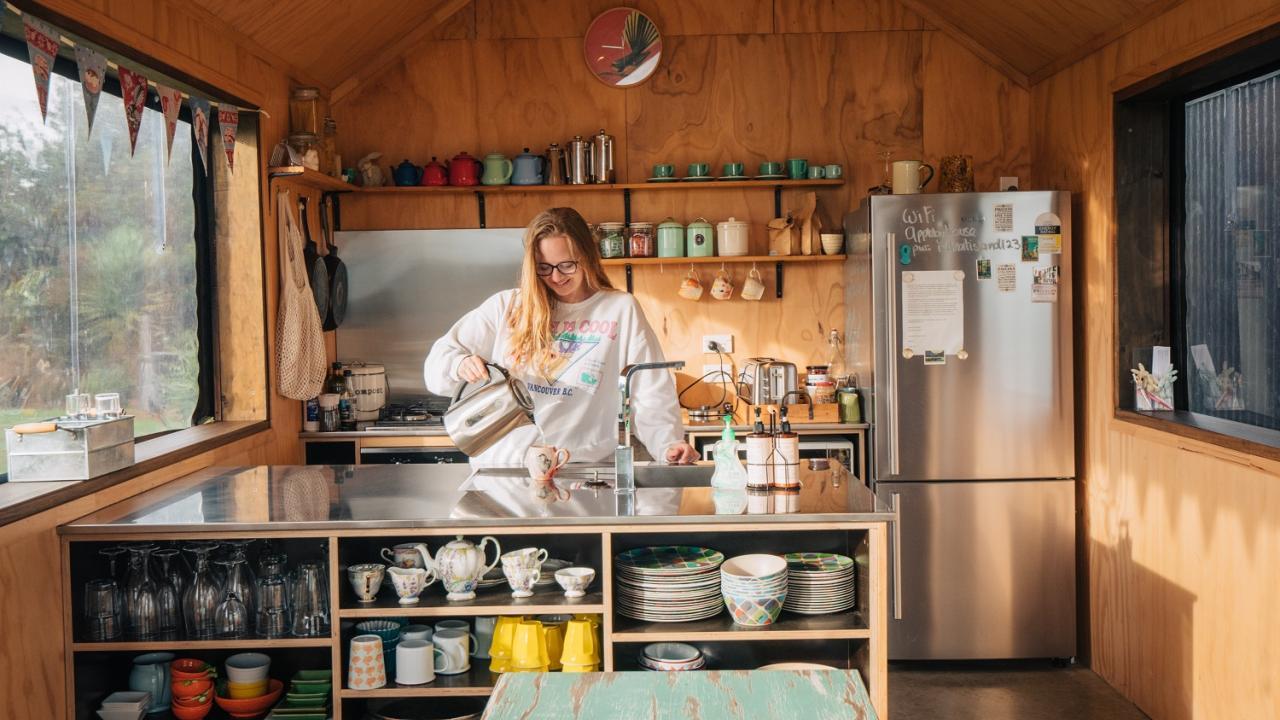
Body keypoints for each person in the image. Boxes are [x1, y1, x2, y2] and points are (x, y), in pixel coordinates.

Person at [424, 207, 700, 468]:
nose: (556, 277)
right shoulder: (507, 307)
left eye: (567, 265)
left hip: (580, 467)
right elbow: (437, 366)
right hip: (506, 465)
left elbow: (650, 389)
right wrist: (458, 364)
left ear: (588, 256)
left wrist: (668, 443)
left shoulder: (619, 309)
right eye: (544, 267)